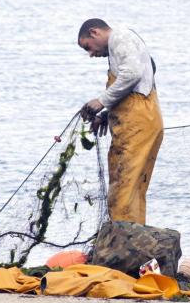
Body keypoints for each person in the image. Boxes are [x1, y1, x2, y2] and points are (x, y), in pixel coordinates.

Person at [77, 18, 163, 225]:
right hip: (144, 119)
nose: (90, 54)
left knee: (123, 187)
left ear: (94, 32)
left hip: (138, 122)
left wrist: (102, 101)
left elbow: (132, 74)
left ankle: (123, 244)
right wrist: (108, 113)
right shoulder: (126, 42)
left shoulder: (120, 37)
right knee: (133, 188)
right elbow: (146, 70)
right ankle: (135, 240)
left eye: (87, 47)